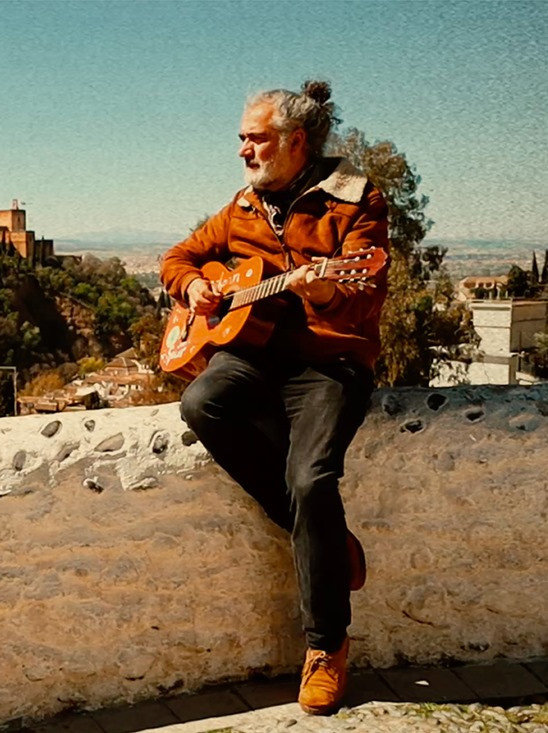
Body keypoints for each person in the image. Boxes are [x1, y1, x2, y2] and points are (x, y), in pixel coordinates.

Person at [160, 80, 388, 715]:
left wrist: (323, 290)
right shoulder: (242, 206)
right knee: (202, 403)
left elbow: (363, 294)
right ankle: (327, 541)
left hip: (328, 363)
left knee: (312, 480)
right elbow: (178, 258)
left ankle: (326, 647)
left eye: (254, 138)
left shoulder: (356, 199)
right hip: (253, 356)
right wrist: (194, 288)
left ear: (295, 141)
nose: (243, 150)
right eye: (241, 138)